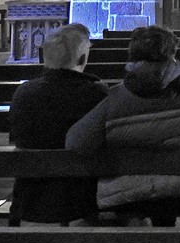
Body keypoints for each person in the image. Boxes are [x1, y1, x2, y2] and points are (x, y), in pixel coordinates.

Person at [66, 25, 180, 220]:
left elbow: (76, 143)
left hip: (134, 194)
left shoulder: (114, 98)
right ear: (172, 54)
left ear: (132, 56)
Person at [8, 23, 109, 224]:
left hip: (30, 198)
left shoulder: (23, 93)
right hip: (82, 199)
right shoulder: (95, 93)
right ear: (83, 59)